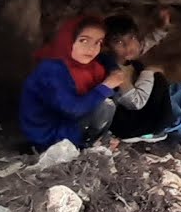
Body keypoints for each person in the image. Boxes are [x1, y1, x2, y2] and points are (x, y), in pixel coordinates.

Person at [19, 17, 129, 150]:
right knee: (104, 104)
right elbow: (72, 109)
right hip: (46, 134)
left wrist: (114, 72)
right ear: (68, 40)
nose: (91, 49)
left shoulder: (90, 67)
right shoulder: (51, 69)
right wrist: (106, 86)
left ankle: (94, 140)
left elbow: (106, 58)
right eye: (84, 40)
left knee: (109, 98)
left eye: (98, 42)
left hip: (67, 124)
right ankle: (86, 144)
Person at [98, 9, 174, 142]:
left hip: (132, 119)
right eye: (119, 42)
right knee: (158, 79)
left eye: (131, 38)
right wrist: (149, 72)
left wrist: (162, 27)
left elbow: (144, 44)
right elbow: (136, 103)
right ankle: (152, 129)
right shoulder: (114, 70)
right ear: (107, 45)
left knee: (142, 69)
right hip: (125, 126)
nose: (128, 46)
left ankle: (153, 127)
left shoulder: (123, 57)